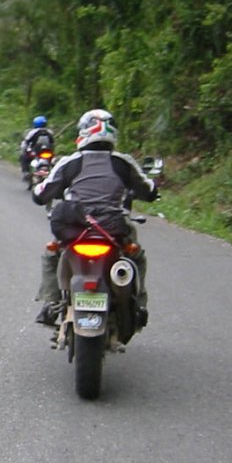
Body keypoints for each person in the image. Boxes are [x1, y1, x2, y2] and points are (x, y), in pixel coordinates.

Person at [30, 109, 158, 327]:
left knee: (52, 254)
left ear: (83, 133)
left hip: (76, 228)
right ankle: (138, 306)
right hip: (114, 228)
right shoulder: (123, 163)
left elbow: (41, 194)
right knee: (136, 256)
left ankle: (51, 304)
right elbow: (148, 190)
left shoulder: (69, 163)